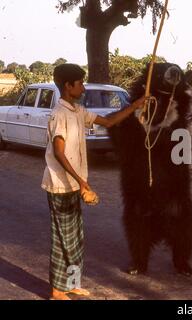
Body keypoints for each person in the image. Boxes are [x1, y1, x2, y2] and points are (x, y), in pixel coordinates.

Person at [41, 63, 146, 300]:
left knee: (76, 237)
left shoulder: (77, 111)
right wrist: (81, 181)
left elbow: (109, 122)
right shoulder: (59, 114)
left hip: (75, 185)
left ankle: (72, 284)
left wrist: (137, 105)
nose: (83, 87)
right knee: (63, 238)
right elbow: (59, 152)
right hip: (59, 185)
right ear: (68, 86)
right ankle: (57, 290)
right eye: (79, 83)